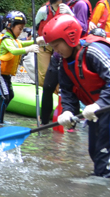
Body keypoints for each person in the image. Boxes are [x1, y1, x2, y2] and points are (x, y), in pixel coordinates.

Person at [44, 15, 110, 177]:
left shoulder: (93, 52)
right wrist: (67, 111)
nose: (55, 50)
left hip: (104, 107)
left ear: (70, 37)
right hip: (97, 112)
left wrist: (99, 104)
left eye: (57, 45)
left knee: (103, 157)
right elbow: (67, 92)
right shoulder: (64, 64)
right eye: (53, 46)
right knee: (95, 152)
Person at [0, 11, 39, 124]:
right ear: (10, 26)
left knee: (10, 95)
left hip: (6, 74)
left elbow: (21, 43)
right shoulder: (6, 40)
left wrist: (36, 41)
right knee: (5, 96)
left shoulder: (13, 40)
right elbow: (14, 50)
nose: (20, 32)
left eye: (22, 29)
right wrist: (29, 49)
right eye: (19, 29)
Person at [35, 0, 74, 125]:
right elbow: (36, 25)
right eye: (56, 5)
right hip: (46, 45)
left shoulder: (68, 10)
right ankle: (44, 121)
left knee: (63, 82)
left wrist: (69, 13)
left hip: (61, 50)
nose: (59, 7)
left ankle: (63, 109)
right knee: (45, 81)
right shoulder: (43, 10)